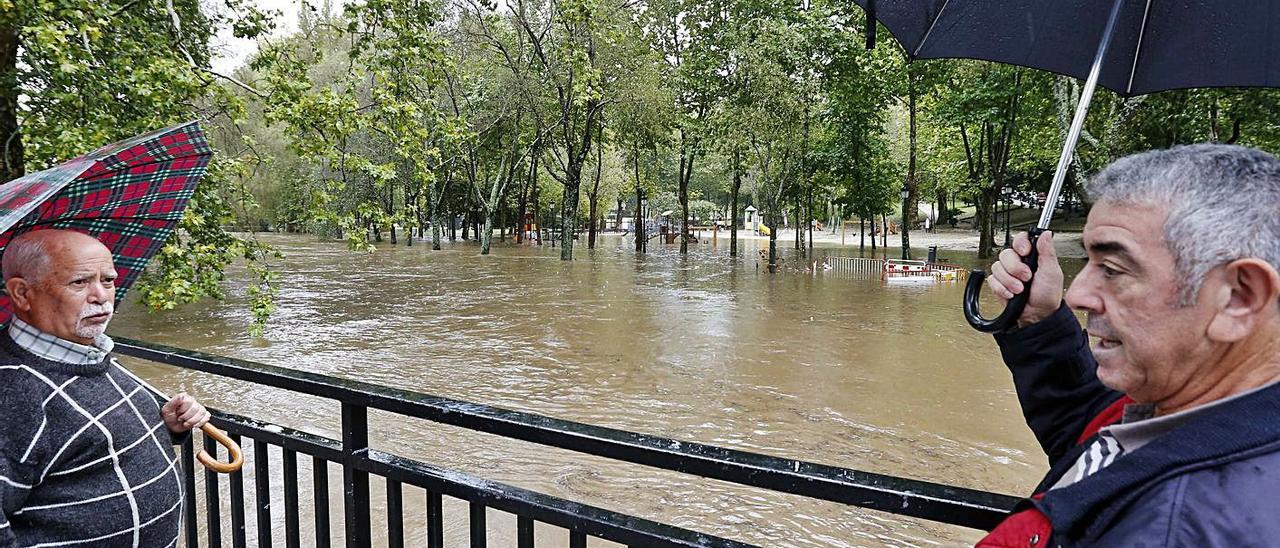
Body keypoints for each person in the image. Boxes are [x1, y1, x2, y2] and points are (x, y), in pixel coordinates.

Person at [979, 144, 1280, 546]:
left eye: (1113, 269)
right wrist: (1039, 320)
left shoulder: (1173, 530)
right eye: (1088, 262)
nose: (1078, 294)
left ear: (1238, 298)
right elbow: (1094, 433)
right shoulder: (1184, 406)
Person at [0, 229, 210, 547]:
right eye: (79, 282)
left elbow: (77, 442)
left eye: (108, 280)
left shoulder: (85, 349)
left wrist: (164, 427)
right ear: (22, 294)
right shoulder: (13, 392)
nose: (101, 295)